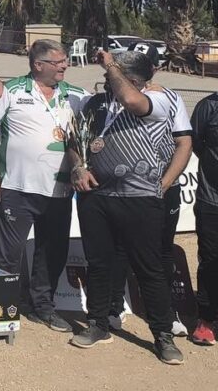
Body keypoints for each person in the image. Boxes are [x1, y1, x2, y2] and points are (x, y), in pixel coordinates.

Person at [69, 50, 184, 365]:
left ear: (133, 78)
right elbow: (74, 141)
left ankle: (162, 335)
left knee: (149, 268)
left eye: (113, 75)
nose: (107, 79)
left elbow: (133, 102)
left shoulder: (158, 99)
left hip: (140, 197)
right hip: (96, 197)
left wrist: (164, 184)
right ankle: (98, 324)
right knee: (99, 263)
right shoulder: (94, 103)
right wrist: (78, 166)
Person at [0, 39, 88, 332]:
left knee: (52, 254)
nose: (65, 65)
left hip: (59, 192)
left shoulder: (77, 95)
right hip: (17, 188)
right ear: (38, 65)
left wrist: (148, 87)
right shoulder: (12, 91)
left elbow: (110, 105)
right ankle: (1, 307)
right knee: (8, 254)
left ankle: (44, 307)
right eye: (58, 62)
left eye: (65, 60)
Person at [107, 80, 193, 334]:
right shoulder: (113, 97)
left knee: (163, 250)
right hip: (125, 189)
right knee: (120, 248)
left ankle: (167, 311)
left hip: (163, 187)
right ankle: (114, 306)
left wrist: (164, 184)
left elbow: (184, 143)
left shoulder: (171, 97)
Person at [190, 89, 218, 346]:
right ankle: (207, 319)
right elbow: (195, 144)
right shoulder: (208, 106)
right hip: (212, 200)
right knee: (210, 259)